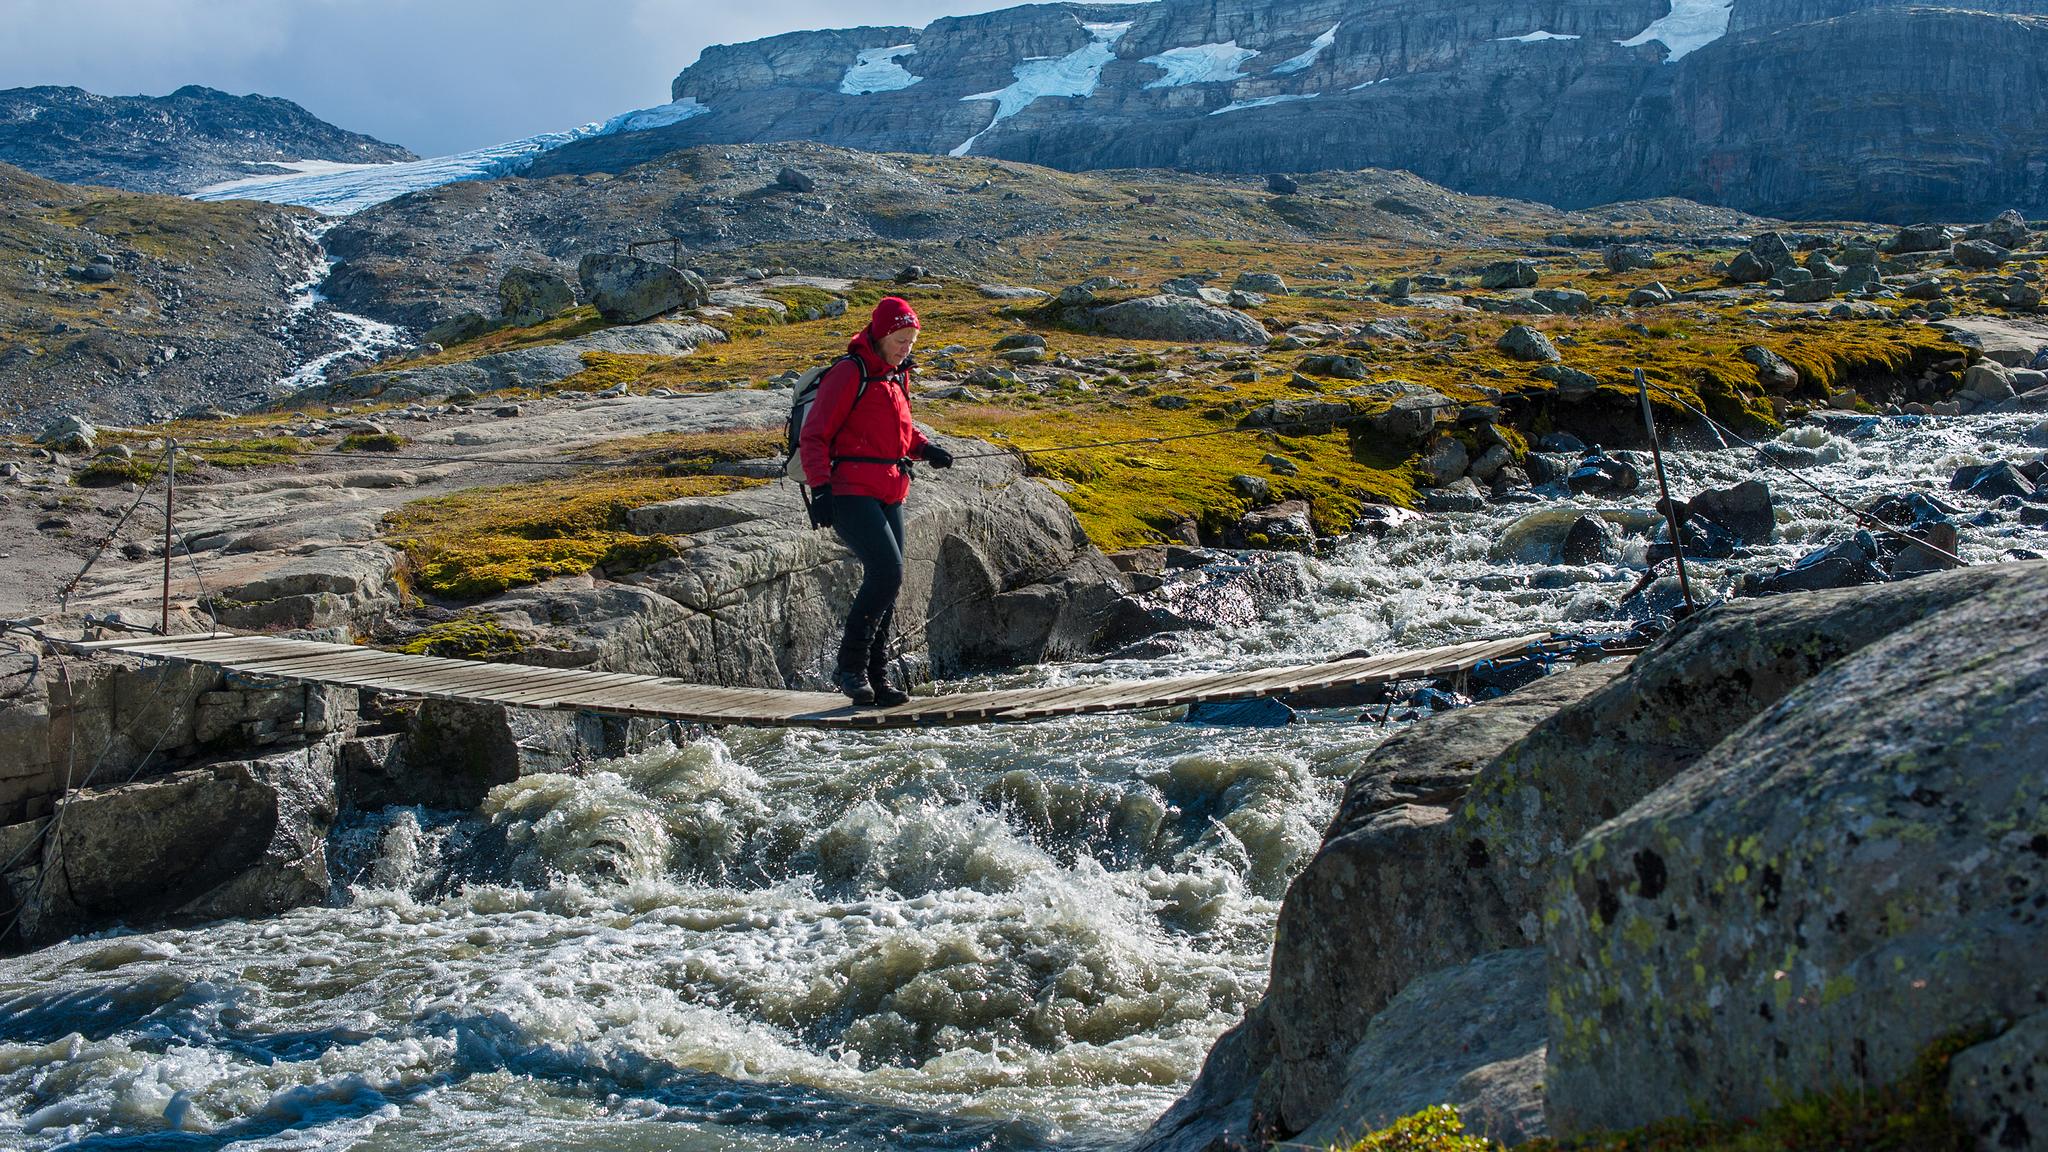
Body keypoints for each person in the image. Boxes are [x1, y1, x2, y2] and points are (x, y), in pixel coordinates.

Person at [800, 296, 954, 706]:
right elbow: (813, 435)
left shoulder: (895, 376)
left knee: (890, 580)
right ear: (882, 335)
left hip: (891, 488)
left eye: (912, 340)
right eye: (901, 339)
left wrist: (927, 449)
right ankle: (849, 668)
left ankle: (876, 677)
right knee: (887, 574)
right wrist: (821, 489)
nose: (907, 347)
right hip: (849, 490)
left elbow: (900, 432)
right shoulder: (850, 372)